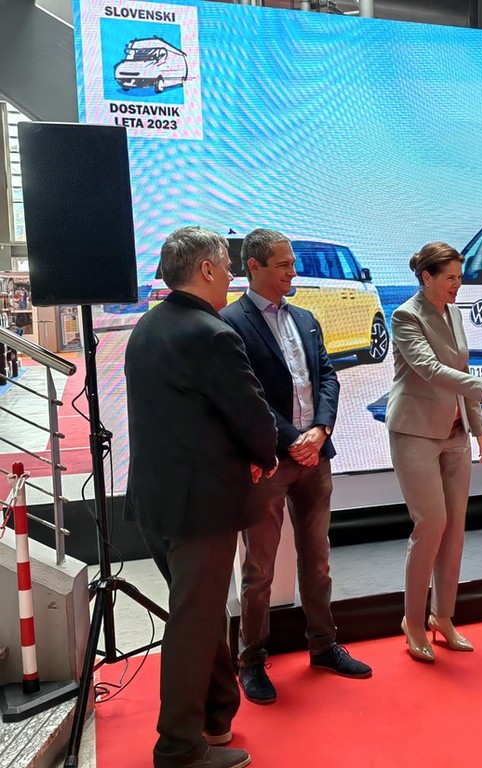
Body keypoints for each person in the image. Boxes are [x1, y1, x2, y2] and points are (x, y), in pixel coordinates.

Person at [124, 227, 279, 768]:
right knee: (193, 626)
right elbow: (253, 416)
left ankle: (216, 718)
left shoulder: (148, 326)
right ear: (206, 270)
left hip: (157, 503)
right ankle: (179, 748)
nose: (233, 274)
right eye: (227, 265)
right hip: (201, 508)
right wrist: (266, 454)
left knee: (203, 614)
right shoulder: (212, 334)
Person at [221, 228, 371, 705]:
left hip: (315, 457)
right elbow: (247, 397)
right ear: (254, 267)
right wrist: (293, 440)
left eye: (291, 262)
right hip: (270, 462)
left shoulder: (305, 318)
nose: (293, 271)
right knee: (259, 569)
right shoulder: (231, 323)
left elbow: (327, 377)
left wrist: (321, 430)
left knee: (318, 560)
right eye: (283, 264)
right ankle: (251, 660)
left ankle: (323, 646)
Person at [388, 242, 482, 662]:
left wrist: (480, 427)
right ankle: (413, 622)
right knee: (431, 524)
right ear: (426, 277)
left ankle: (443, 616)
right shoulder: (405, 316)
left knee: (454, 528)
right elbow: (431, 370)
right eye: (451, 277)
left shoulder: (453, 312)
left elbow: (461, 371)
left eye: (460, 276)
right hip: (415, 432)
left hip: (455, 434)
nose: (459, 284)